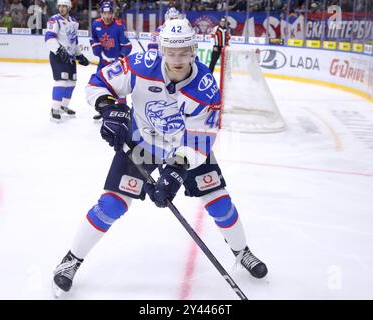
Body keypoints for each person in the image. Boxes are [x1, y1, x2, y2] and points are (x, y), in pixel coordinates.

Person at [52, 18, 267, 297]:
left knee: (220, 203)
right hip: (142, 142)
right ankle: (71, 260)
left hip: (186, 148)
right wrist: (108, 109)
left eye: (184, 52)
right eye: (171, 52)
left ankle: (242, 251)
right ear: (162, 49)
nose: (177, 59)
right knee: (111, 205)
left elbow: (201, 137)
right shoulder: (140, 65)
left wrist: (177, 169)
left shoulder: (205, 86)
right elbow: (99, 83)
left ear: (193, 50)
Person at [44, 0, 89, 121]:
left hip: (70, 57)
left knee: (72, 82)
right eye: (60, 6)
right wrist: (59, 50)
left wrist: (79, 55)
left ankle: (63, 106)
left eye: (64, 6)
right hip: (58, 56)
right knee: (61, 81)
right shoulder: (54, 20)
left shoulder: (74, 22)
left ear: (69, 7)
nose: (61, 8)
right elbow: (49, 38)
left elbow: (74, 41)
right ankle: (55, 108)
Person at [90, 1, 132, 120]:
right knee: (102, 87)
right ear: (101, 13)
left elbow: (127, 46)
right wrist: (97, 49)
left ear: (113, 14)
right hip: (103, 63)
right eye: (105, 13)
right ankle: (105, 110)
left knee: (120, 88)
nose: (107, 16)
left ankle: (123, 111)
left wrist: (120, 57)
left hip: (117, 64)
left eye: (109, 13)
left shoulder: (119, 25)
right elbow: (93, 39)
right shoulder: (96, 24)